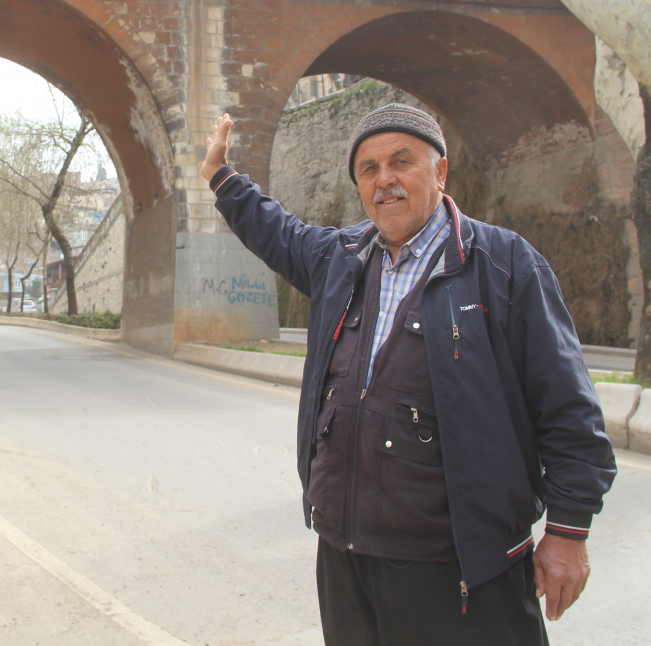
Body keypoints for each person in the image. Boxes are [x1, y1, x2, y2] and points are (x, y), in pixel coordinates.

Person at [200, 104, 616, 645]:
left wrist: (568, 530)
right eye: (369, 169)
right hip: (347, 558)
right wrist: (221, 177)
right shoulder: (340, 258)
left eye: (402, 162)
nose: (385, 179)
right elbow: (275, 230)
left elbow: (568, 406)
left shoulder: (504, 264)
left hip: (461, 567)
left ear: (440, 173)